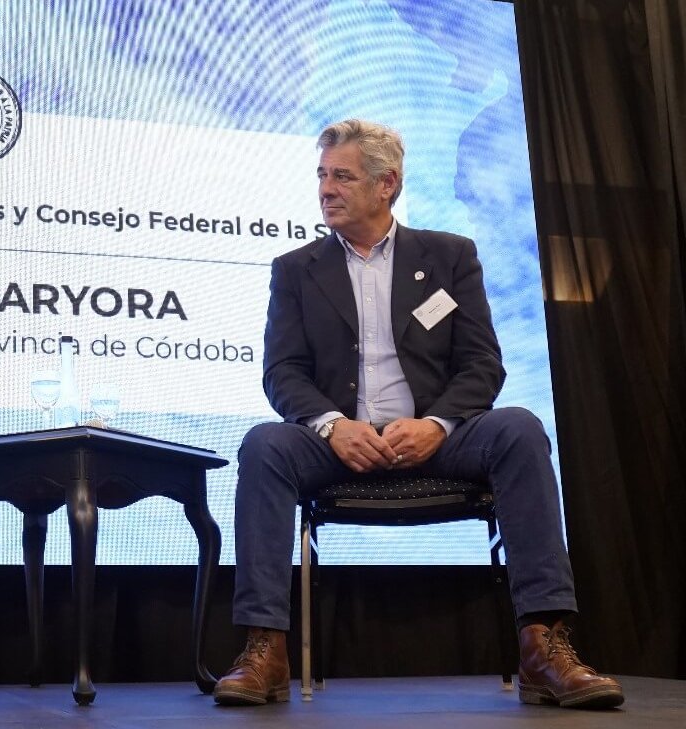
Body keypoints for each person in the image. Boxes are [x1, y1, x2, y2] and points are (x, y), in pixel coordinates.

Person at [214, 119, 623, 711]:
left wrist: (437, 425)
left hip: (437, 439)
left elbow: (482, 365)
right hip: (339, 445)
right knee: (264, 445)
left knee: (519, 429)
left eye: (342, 176)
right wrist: (333, 425)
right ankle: (265, 649)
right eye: (322, 175)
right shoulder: (296, 269)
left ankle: (544, 647)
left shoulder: (450, 256)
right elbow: (283, 373)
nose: (326, 189)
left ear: (387, 184)